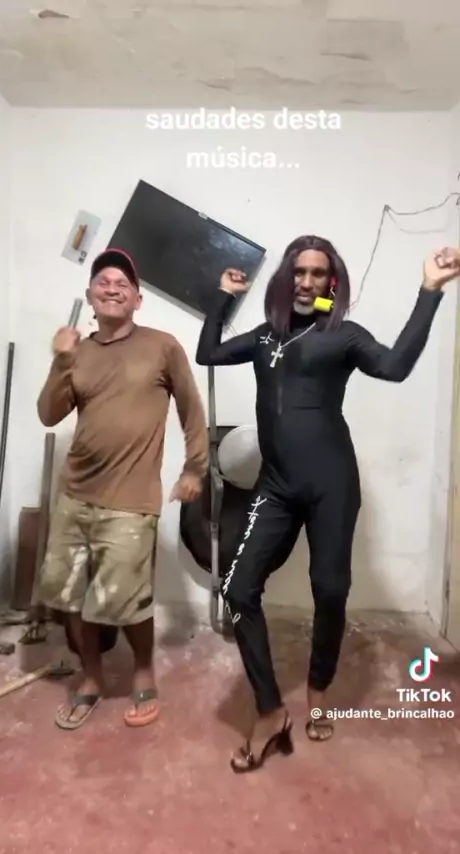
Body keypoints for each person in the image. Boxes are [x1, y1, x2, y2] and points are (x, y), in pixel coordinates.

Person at [196, 235, 460, 773]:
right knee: (238, 587)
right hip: (275, 485)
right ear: (286, 278)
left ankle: (318, 692)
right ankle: (271, 711)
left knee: (331, 590)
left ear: (331, 282)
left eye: (318, 274)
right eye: (299, 272)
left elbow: (395, 367)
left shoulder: (343, 335)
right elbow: (208, 353)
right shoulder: (264, 336)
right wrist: (222, 298)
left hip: (332, 485)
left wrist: (430, 290)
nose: (307, 281)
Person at [37, 248, 208, 730]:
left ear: (137, 299)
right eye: (103, 281)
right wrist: (60, 361)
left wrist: (194, 468)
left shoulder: (162, 346)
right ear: (90, 295)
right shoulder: (78, 352)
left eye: (122, 283)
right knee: (70, 597)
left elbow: (191, 409)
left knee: (129, 599)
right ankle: (91, 678)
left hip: (132, 501)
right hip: (74, 495)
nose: (112, 288)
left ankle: (143, 670)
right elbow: (48, 414)